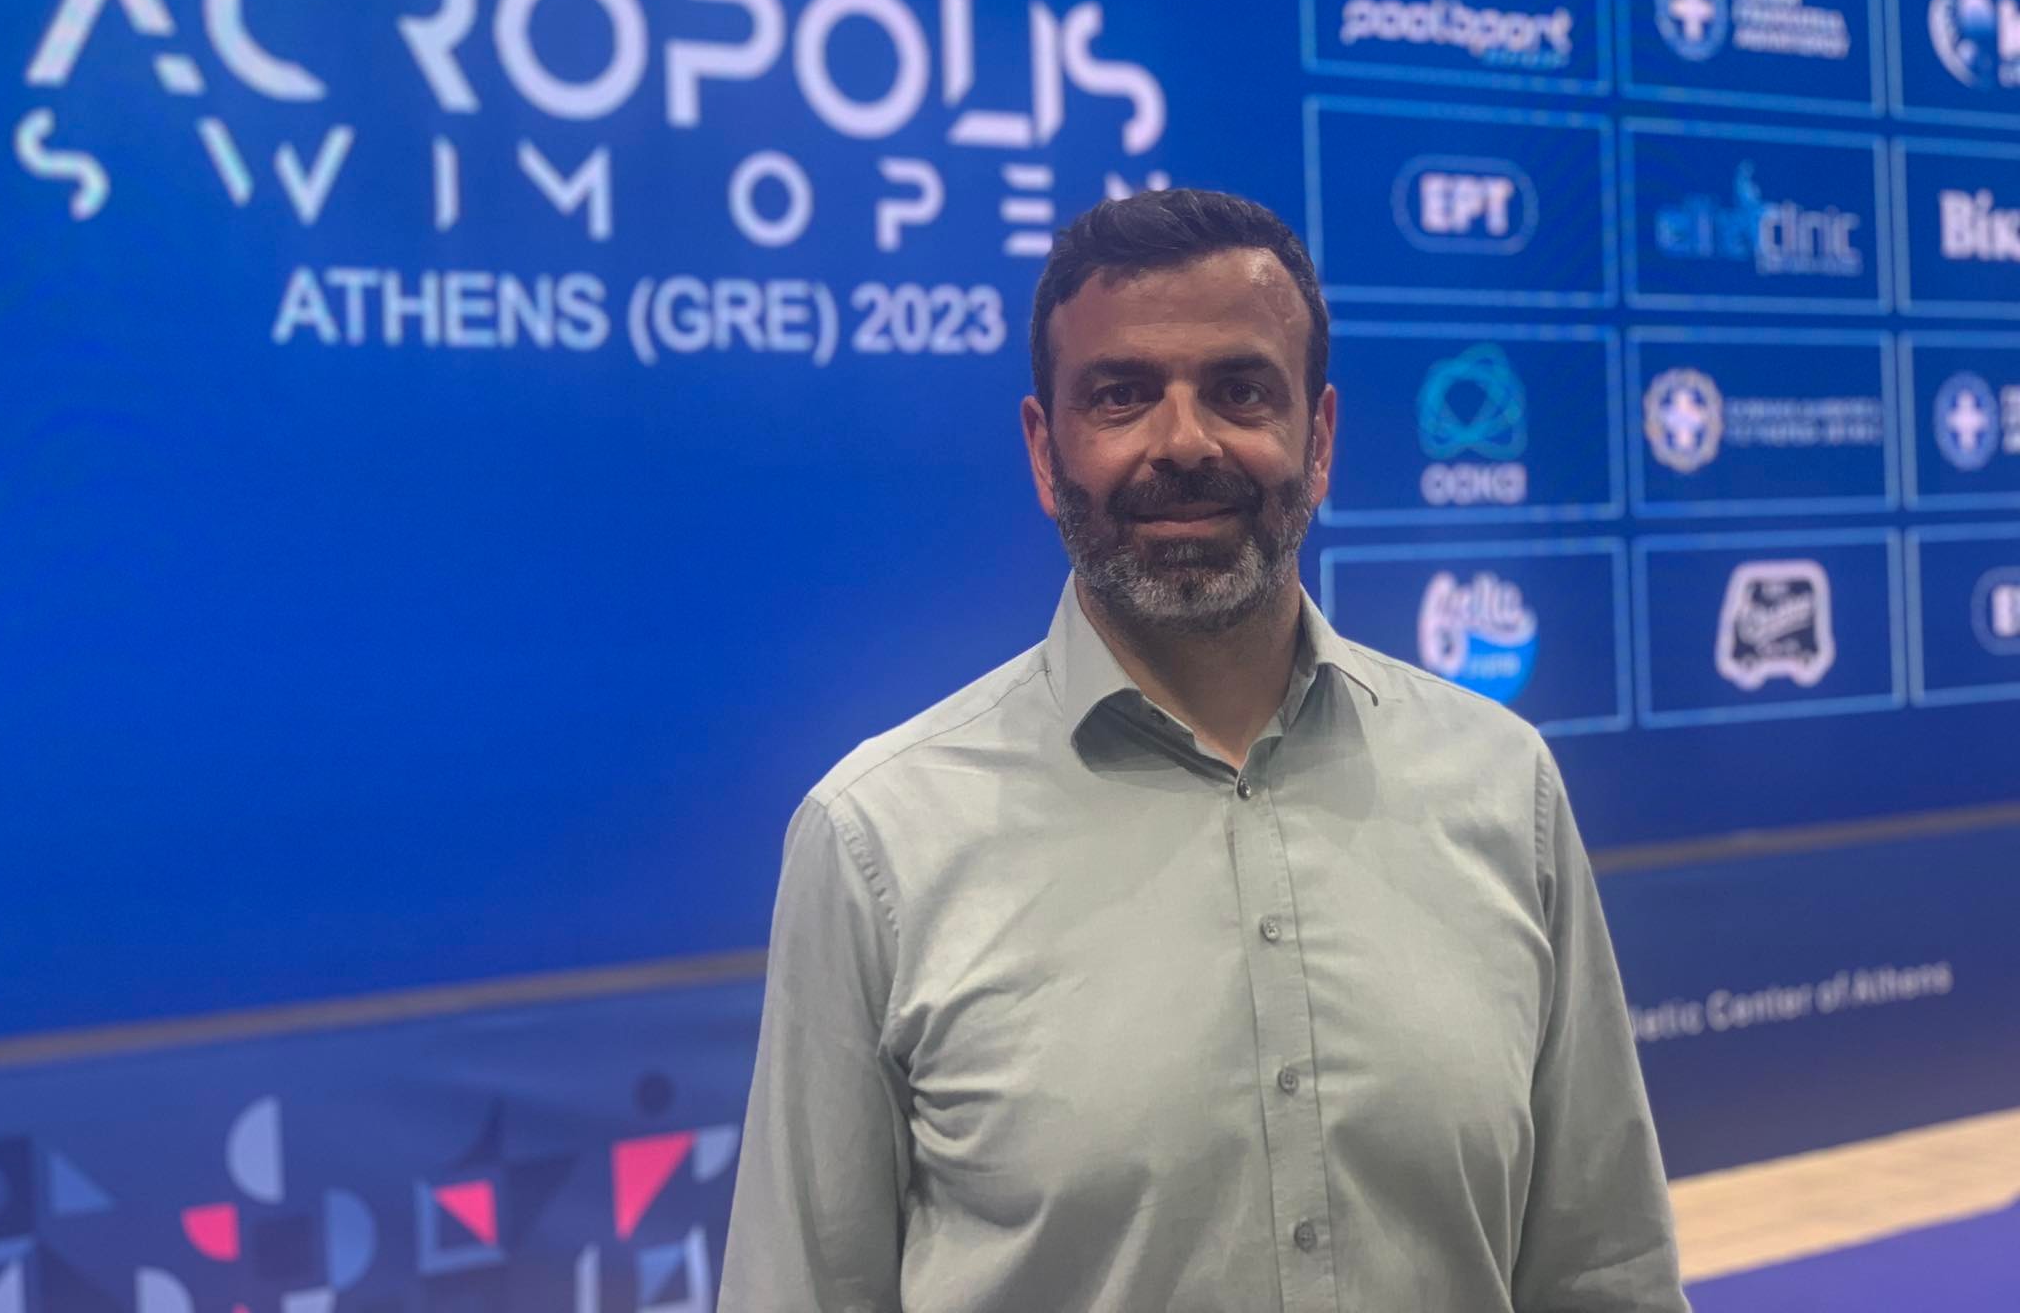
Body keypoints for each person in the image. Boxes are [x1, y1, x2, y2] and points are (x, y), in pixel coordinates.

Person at [717, 189, 1689, 1312]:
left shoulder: (1502, 783)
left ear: (1319, 441)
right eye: (1121, 395)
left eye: (1239, 391)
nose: (1182, 443)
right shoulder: (877, 842)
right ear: (1044, 452)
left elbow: (1602, 1271)